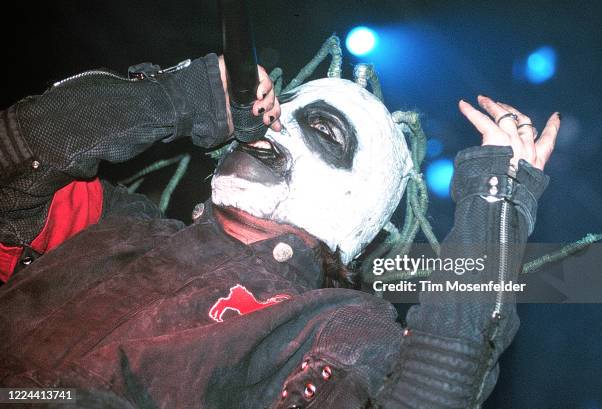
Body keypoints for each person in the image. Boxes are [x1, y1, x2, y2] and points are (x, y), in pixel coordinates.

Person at [0, 50, 559, 409]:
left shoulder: (336, 327)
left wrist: (496, 203)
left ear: (355, 197)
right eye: (279, 109)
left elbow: (433, 391)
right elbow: (17, 160)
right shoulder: (114, 222)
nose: (277, 122)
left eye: (319, 128)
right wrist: (180, 98)